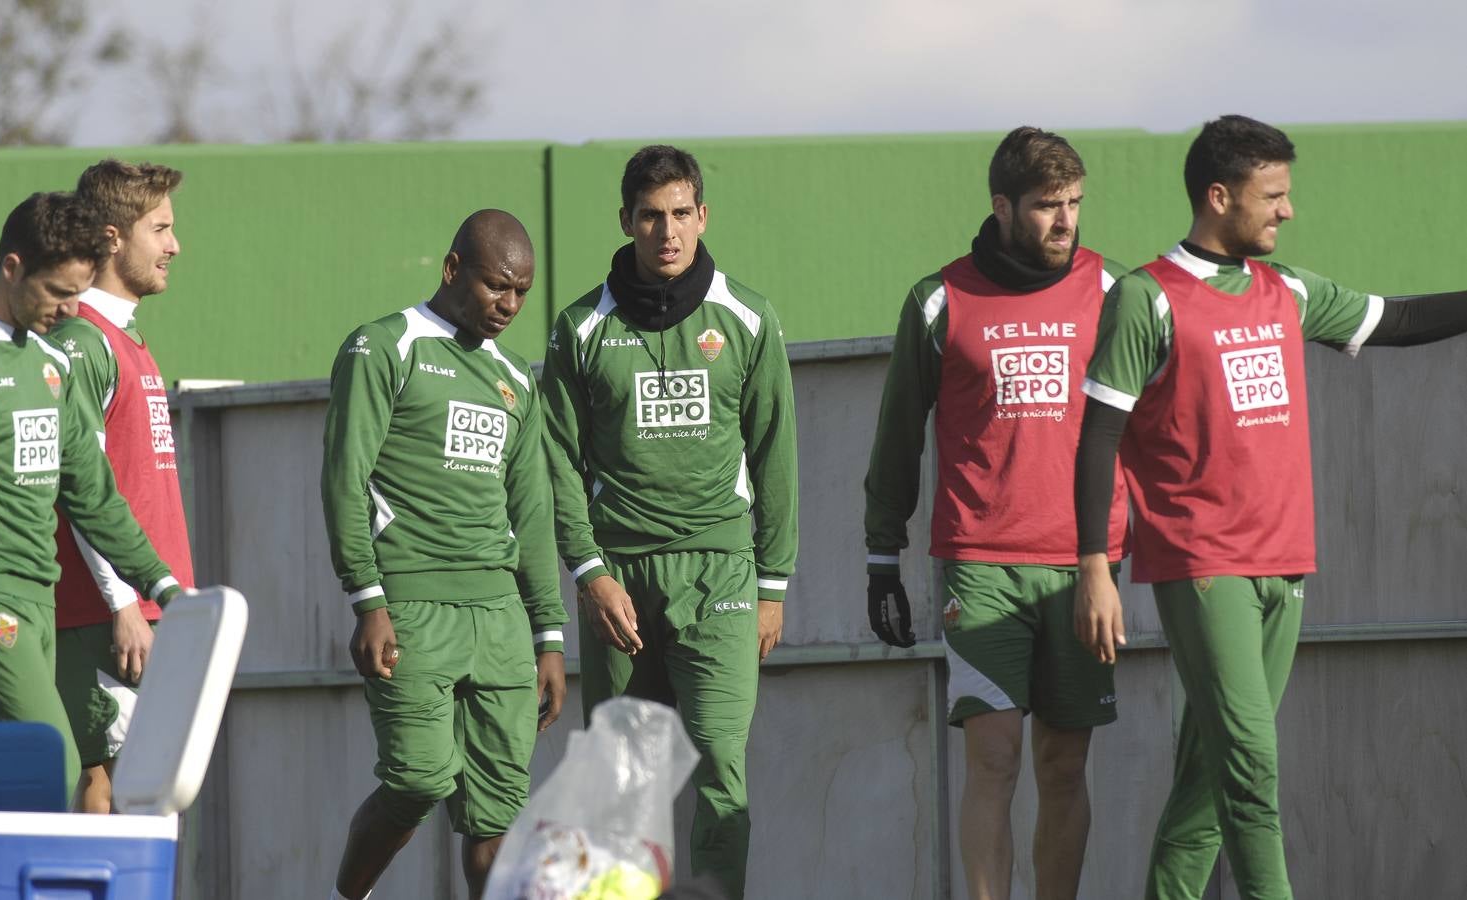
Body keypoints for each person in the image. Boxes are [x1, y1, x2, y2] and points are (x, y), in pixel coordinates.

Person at [1073, 114, 1467, 899]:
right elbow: (1094, 440)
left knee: (1207, 784)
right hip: (1201, 567)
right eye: (1273, 195)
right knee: (1251, 766)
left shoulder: (1285, 291)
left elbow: (1395, 320)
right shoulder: (1146, 299)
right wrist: (1094, 568)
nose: (1286, 211)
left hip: (1284, 566)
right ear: (1219, 197)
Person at [862, 126, 1129, 900]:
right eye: (1048, 205)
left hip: (1085, 566)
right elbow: (896, 436)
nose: (1065, 221)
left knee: (1063, 763)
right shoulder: (939, 299)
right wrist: (883, 555)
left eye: (1075, 204)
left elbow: (1152, 425)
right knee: (994, 756)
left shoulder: (1113, 293)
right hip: (979, 564)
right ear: (1001, 205)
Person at [541, 144, 798, 900]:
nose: (667, 232)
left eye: (680, 214)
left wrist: (773, 583)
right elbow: (555, 460)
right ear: (625, 221)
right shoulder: (580, 327)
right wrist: (588, 574)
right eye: (650, 217)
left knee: (720, 762)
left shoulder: (747, 317)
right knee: (622, 776)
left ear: (702, 215)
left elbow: (777, 454)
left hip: (720, 571)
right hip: (617, 579)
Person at [320, 209, 567, 900]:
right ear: (452, 269)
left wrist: (548, 634)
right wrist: (367, 600)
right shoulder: (383, 347)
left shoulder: (516, 377)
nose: (509, 305)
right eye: (496, 286)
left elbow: (533, 511)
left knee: (497, 816)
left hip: (500, 617)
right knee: (417, 779)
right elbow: (344, 478)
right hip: (412, 606)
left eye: (521, 291)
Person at [0, 191, 184, 802]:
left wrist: (161, 584)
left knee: (6, 768)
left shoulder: (50, 362)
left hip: (40, 593)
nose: (69, 309)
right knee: (51, 760)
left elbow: (94, 492)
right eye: (58, 292)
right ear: (12, 268)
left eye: (79, 294)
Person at [49, 159, 193, 814]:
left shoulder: (129, 341)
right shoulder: (84, 341)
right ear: (112, 237)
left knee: (146, 786)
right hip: (108, 616)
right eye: (160, 229)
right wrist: (122, 604)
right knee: (107, 778)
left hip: (148, 609)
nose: (174, 246)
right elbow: (82, 488)